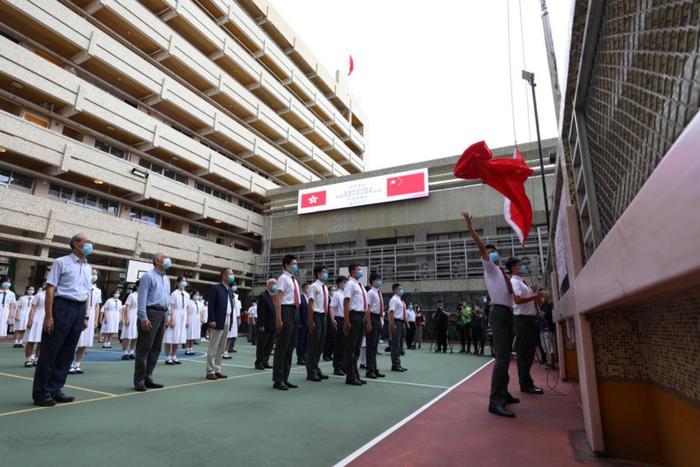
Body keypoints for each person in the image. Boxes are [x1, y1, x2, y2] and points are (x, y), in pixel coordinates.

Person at [463, 211, 524, 418]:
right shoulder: (489, 268)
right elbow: (481, 247)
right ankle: (495, 401)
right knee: (501, 357)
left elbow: (514, 297)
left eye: (494, 252)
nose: (491, 254)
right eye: (489, 253)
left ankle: (503, 393)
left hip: (508, 314)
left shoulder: (501, 272)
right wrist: (471, 229)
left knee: (506, 356)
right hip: (498, 314)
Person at [32, 233, 93, 406]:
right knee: (50, 351)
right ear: (75, 244)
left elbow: (87, 293)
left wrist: (86, 316)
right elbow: (51, 289)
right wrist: (49, 316)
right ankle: (41, 393)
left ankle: (55, 388)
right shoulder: (61, 262)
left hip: (79, 308)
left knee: (67, 352)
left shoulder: (88, 266)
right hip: (62, 306)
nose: (90, 245)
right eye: (86, 242)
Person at [133, 252, 171, 392]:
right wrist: (143, 317)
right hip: (151, 313)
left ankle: (148, 377)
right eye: (164, 258)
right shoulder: (148, 276)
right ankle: (139, 380)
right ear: (156, 261)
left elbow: (167, 299)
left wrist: (168, 314)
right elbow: (142, 298)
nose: (167, 260)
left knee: (156, 348)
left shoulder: (166, 279)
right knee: (144, 348)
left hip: (162, 313)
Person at [507, 257, 545, 396]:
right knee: (524, 354)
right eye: (520, 265)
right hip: (522, 320)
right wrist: (534, 297)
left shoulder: (523, 282)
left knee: (529, 353)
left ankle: (528, 382)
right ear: (513, 268)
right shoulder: (514, 282)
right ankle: (525, 384)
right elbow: (517, 299)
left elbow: (531, 300)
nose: (523, 266)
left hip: (530, 319)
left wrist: (537, 307)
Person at [272, 255, 300, 390]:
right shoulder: (283, 278)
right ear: (286, 265)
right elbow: (278, 298)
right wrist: (278, 318)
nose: (296, 266)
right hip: (285, 310)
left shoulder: (293, 280)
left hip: (294, 311)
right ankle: (277, 379)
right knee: (282, 347)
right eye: (294, 264)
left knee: (290, 347)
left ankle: (285, 378)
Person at [205, 268, 236, 380]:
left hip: (227, 318)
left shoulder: (230, 290)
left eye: (233, 274)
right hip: (218, 319)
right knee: (213, 346)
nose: (232, 276)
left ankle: (217, 369)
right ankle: (210, 370)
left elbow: (231, 307)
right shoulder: (216, 288)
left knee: (222, 347)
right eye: (230, 274)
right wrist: (211, 320)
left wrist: (231, 321)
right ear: (223, 275)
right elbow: (211, 305)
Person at [71, 269, 101, 375]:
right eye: (92, 273)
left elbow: (97, 305)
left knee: (85, 343)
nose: (94, 275)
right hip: (81, 313)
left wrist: (96, 320)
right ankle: (69, 364)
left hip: (92, 315)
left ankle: (77, 364)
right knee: (75, 341)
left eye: (96, 274)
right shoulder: (82, 286)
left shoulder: (98, 291)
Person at [342, 264, 369, 386]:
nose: (360, 271)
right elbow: (346, 302)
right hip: (353, 315)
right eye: (358, 270)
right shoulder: (350, 284)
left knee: (357, 347)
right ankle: (350, 376)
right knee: (351, 347)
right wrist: (347, 321)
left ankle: (355, 374)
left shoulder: (360, 286)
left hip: (361, 316)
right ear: (352, 271)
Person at [306, 266, 330, 382]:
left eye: (326, 272)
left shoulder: (325, 287)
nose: (326, 274)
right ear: (317, 274)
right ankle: (311, 371)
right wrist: (311, 320)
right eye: (323, 272)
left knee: (321, 344)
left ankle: (316, 367)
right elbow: (310, 304)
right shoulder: (313, 286)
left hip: (323, 316)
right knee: (313, 344)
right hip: (316, 315)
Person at [164, 276, 189, 365]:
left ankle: (174, 356)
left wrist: (187, 320)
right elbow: (171, 307)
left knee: (178, 337)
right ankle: (168, 357)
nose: (184, 282)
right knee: (170, 336)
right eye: (182, 281)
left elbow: (187, 308)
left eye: (185, 281)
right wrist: (171, 319)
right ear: (178, 283)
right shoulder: (174, 294)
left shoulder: (187, 295)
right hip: (175, 314)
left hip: (183, 316)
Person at [365, 273, 385, 379]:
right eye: (378, 279)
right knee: (371, 346)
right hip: (372, 318)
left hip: (377, 318)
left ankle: (374, 368)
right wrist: (368, 323)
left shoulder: (378, 293)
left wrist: (381, 321)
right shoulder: (371, 293)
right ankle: (369, 370)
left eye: (380, 279)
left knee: (375, 346)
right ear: (372, 281)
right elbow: (368, 308)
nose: (380, 281)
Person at [254, 279, 276, 370]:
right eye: (274, 284)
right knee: (262, 345)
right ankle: (259, 362)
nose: (275, 286)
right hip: (265, 325)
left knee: (270, 345)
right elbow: (261, 311)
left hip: (273, 325)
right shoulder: (263, 295)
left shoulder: (274, 296)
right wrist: (261, 325)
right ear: (269, 284)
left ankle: (265, 361)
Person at [24, 283, 46, 367]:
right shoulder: (39, 295)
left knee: (41, 341)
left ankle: (37, 359)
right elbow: (33, 308)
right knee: (31, 340)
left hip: (46, 319)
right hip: (37, 318)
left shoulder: (55, 295)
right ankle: (28, 359)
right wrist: (30, 320)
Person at [388, 284, 408, 372]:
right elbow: (391, 312)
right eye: (400, 289)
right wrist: (393, 325)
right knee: (395, 345)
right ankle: (395, 365)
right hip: (397, 322)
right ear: (395, 290)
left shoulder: (400, 300)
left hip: (401, 322)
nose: (401, 290)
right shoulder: (394, 300)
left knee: (399, 345)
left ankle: (398, 363)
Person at [330, 280, 347, 375]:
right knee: (339, 344)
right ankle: (337, 367)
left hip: (346, 319)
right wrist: (332, 319)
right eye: (344, 282)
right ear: (339, 283)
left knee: (345, 345)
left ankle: (344, 365)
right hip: (339, 319)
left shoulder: (347, 294)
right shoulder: (337, 294)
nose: (346, 284)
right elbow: (332, 307)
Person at [120, 282, 138, 360]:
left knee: (136, 336)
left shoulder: (145, 295)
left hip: (139, 316)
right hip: (131, 315)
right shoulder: (132, 295)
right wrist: (127, 318)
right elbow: (127, 307)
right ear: (137, 286)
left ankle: (131, 352)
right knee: (127, 335)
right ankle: (125, 353)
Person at [539, 293, 556, 369]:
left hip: (547, 328)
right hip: (543, 328)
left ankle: (551, 363)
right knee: (545, 346)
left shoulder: (547, 305)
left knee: (549, 345)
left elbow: (542, 314)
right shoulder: (543, 305)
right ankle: (548, 361)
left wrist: (537, 307)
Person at [224, 289, 241, 359]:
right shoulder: (227, 299)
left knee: (230, 336)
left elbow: (238, 311)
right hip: (228, 318)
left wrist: (238, 318)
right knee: (226, 336)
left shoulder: (236, 300)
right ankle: (222, 351)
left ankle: (226, 351)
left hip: (233, 318)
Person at [295, 282, 309, 366]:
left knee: (306, 341)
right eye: (307, 288)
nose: (309, 289)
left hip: (308, 323)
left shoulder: (309, 298)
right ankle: (299, 358)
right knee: (300, 341)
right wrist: (299, 322)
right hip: (302, 323)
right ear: (303, 288)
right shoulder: (301, 297)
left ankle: (304, 356)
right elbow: (298, 311)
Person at [185, 290, 202, 355]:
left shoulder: (199, 303)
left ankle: (191, 348)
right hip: (191, 318)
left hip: (196, 319)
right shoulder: (189, 302)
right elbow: (187, 311)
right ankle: (187, 348)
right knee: (189, 334)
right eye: (196, 294)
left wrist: (200, 321)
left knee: (194, 334)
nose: (197, 296)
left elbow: (200, 312)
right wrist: (187, 320)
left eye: (198, 294)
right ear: (193, 295)